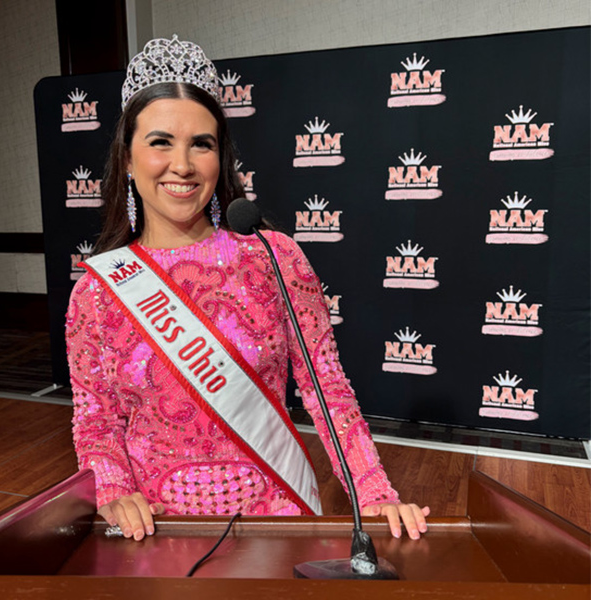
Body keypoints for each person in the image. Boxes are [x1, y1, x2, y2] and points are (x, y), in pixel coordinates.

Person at [66, 35, 429, 543]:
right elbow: (97, 419)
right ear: (127, 157)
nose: (183, 165)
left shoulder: (273, 257)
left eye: (202, 144)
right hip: (155, 527)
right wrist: (113, 490)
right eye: (160, 142)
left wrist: (373, 493)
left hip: (274, 517)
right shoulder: (100, 290)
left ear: (222, 157)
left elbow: (328, 390)